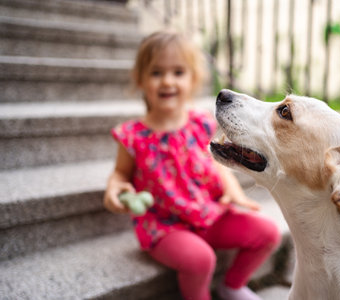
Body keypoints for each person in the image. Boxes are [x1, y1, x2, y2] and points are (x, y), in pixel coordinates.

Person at [103, 30, 281, 300]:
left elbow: (216, 164)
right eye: (156, 73)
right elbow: (119, 174)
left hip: (208, 212)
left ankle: (231, 286)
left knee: (267, 233)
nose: (167, 81)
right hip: (165, 226)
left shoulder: (201, 123)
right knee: (201, 260)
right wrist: (114, 191)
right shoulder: (132, 136)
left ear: (193, 79)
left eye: (178, 72)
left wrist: (232, 189)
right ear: (140, 79)